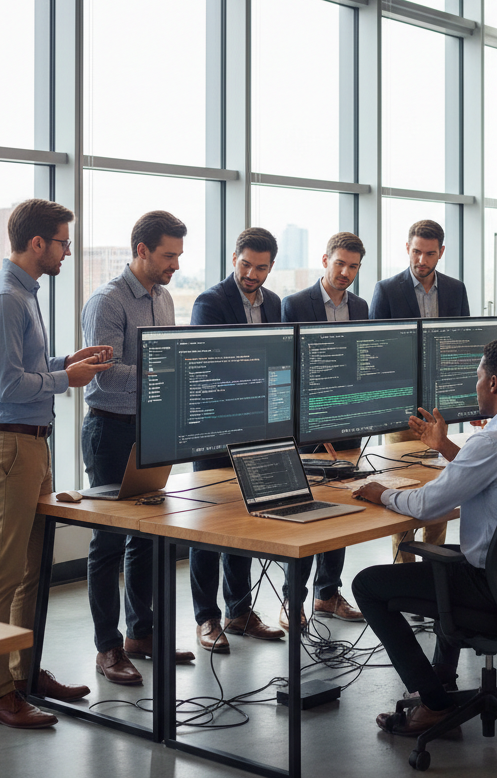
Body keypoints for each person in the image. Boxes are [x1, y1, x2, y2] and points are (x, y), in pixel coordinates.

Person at [351, 339, 497, 736]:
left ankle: (433, 703)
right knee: (442, 560)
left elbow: (426, 506)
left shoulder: (491, 441)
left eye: (478, 377)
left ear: (494, 383)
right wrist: (446, 448)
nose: (476, 385)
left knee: (367, 584)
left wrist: (378, 492)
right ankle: (442, 683)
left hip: (490, 589)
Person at [0, 199, 112, 729]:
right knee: (2, 573)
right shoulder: (6, 298)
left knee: (32, 568)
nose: (67, 251)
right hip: (7, 445)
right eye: (63, 242)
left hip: (29, 442)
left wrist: (65, 363)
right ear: (37, 244)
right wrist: (65, 381)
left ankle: (21, 674)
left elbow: (22, 370)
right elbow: (6, 387)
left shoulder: (24, 294)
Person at [81, 211, 196, 685]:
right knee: (108, 542)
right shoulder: (108, 301)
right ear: (142, 250)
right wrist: (160, 370)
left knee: (147, 535)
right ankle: (107, 648)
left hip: (150, 429)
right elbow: (101, 369)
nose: (175, 265)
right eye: (168, 255)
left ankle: (140, 634)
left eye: (179, 256)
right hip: (110, 430)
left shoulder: (164, 298)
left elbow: (163, 356)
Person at [188, 227, 285, 651]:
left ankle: (240, 610)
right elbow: (211, 364)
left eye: (261, 267)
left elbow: (277, 361)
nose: (252, 273)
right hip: (216, 429)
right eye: (246, 264)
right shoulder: (209, 302)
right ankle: (206, 618)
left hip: (257, 428)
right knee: (209, 527)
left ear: (270, 267)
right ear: (233, 259)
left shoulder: (275, 303)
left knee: (246, 522)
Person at [279, 232, 369, 629]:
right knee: (305, 512)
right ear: (325, 260)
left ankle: (328, 594)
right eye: (340, 264)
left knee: (344, 506)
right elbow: (290, 364)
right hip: (309, 422)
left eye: (353, 266)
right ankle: (291, 601)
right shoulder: (295, 304)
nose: (345, 272)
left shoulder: (361, 306)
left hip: (347, 418)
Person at [370, 219, 471, 565]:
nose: (421, 260)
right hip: (402, 408)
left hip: (440, 407)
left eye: (429, 254)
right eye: (416, 252)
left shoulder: (456, 290)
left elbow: (463, 345)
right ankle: (403, 573)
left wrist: (466, 402)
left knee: (440, 488)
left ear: (441, 252)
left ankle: (435, 570)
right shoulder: (386, 291)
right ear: (407, 249)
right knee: (402, 486)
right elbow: (375, 351)